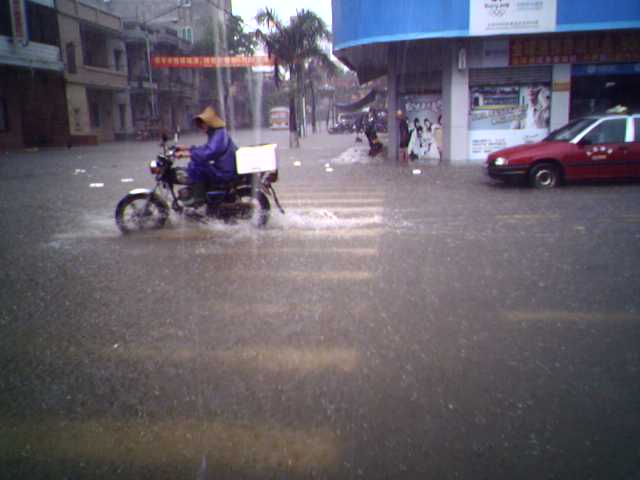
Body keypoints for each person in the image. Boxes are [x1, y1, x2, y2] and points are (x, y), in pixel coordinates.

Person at [176, 106, 238, 207]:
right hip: (221, 168)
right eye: (200, 125)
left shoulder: (220, 134)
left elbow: (210, 152)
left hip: (224, 171)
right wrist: (188, 149)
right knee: (195, 164)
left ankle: (199, 199)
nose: (201, 127)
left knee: (195, 165)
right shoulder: (216, 134)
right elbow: (206, 148)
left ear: (209, 123)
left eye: (202, 124)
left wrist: (188, 154)